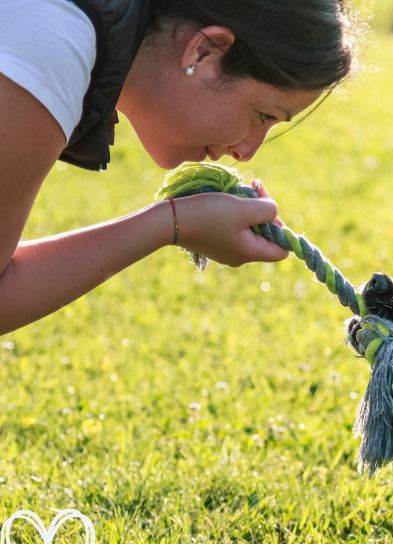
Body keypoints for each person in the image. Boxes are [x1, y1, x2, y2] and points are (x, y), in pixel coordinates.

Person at [0, 0, 356, 335]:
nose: (246, 151)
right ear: (204, 52)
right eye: (262, 115)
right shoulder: (52, 43)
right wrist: (170, 223)